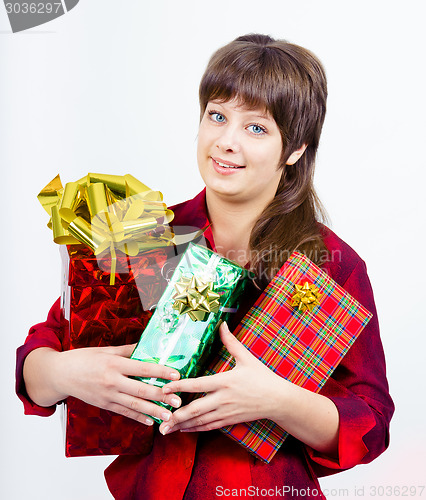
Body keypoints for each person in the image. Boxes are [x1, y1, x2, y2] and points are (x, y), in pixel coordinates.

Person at [16, 34, 394, 499]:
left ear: (295, 149)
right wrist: (62, 374)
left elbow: (371, 425)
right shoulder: (143, 235)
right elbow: (42, 355)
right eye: (217, 116)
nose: (225, 142)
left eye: (256, 128)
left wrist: (277, 400)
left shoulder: (331, 264)